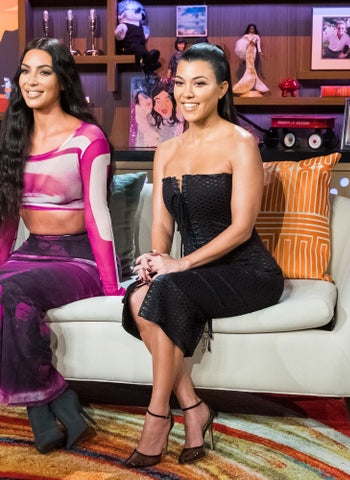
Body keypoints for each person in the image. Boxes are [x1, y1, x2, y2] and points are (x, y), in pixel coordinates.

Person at [121, 42, 284, 468]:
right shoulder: (166, 150)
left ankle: (157, 417)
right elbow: (162, 225)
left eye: (200, 83)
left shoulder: (241, 143)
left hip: (246, 271)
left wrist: (179, 265)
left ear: (222, 89)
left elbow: (242, 228)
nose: (187, 93)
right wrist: (157, 259)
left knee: (167, 291)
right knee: (139, 295)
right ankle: (193, 407)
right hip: (190, 273)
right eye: (179, 83)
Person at [0, 37, 125, 454]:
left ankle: (39, 413)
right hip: (31, 251)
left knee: (8, 294)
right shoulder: (13, 137)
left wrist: (111, 287)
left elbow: (97, 213)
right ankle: (56, 398)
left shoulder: (87, 137)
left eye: (43, 71)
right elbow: (6, 221)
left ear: (62, 81)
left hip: (77, 257)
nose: (31, 80)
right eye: (25, 71)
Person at [233, 24, 269, 96]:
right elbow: (241, 45)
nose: (251, 29)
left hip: (253, 51)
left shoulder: (256, 36)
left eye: (253, 28)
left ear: (254, 29)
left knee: (251, 66)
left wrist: (260, 52)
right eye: (250, 28)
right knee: (249, 67)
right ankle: (248, 84)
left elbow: (258, 46)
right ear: (249, 29)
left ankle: (251, 84)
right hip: (247, 51)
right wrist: (242, 52)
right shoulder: (245, 36)